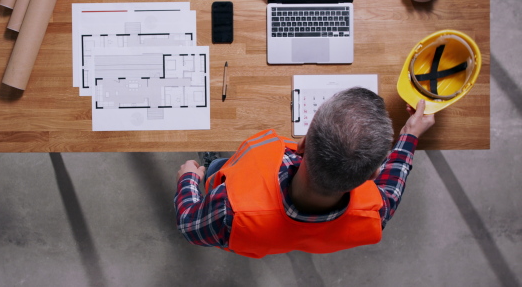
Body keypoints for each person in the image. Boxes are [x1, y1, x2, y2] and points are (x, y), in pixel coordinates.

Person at [174, 87, 435, 258]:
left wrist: (188, 179)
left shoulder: (228, 209)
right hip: (274, 236)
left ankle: (209, 167)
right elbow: (393, 185)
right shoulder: (375, 213)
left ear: (302, 145)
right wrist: (409, 135)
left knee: (218, 168)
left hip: (245, 216)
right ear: (373, 174)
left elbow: (189, 224)